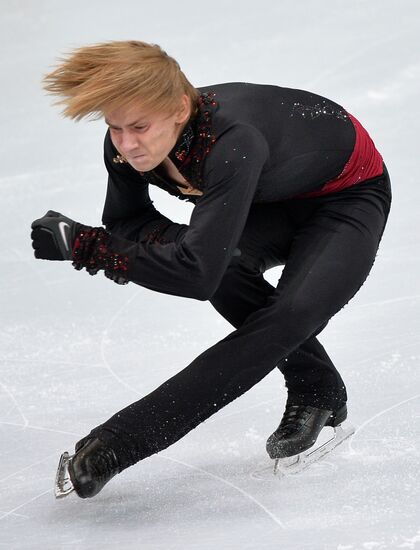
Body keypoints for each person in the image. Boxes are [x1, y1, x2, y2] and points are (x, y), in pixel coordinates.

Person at [31, 40, 391, 499]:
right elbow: (128, 221)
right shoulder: (125, 144)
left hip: (347, 199)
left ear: (180, 108)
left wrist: (90, 248)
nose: (127, 143)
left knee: (291, 313)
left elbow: (194, 277)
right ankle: (317, 386)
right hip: (270, 199)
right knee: (221, 265)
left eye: (139, 127)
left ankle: (120, 442)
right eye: (115, 128)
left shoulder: (232, 140)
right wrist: (185, 246)